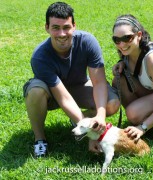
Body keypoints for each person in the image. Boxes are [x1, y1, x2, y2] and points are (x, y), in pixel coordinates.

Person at [23, 2, 120, 157]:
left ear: (74, 26)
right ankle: (40, 138)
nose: (62, 34)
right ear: (47, 27)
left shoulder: (88, 42)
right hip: (52, 93)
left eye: (66, 27)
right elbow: (63, 96)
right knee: (35, 90)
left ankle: (80, 120)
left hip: (79, 85)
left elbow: (99, 83)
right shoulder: (39, 56)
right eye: (56, 28)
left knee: (111, 103)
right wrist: (89, 133)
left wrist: (100, 116)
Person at [112, 14, 153, 141]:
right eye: (117, 39)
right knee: (118, 80)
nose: (122, 44)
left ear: (139, 35)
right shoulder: (129, 53)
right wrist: (121, 64)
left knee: (133, 113)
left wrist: (142, 127)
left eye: (127, 38)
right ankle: (147, 117)